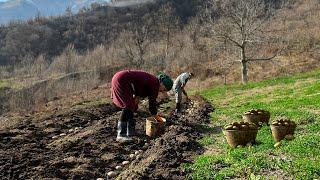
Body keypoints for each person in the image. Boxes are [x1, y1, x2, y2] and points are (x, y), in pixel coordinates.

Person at [111, 70, 173, 142]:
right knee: (127, 107)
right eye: (164, 89)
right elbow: (152, 103)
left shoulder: (152, 81)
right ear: (162, 83)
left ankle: (130, 131)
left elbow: (140, 87)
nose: (162, 91)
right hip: (122, 80)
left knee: (132, 107)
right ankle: (121, 134)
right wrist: (155, 116)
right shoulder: (155, 83)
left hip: (121, 78)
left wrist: (137, 97)